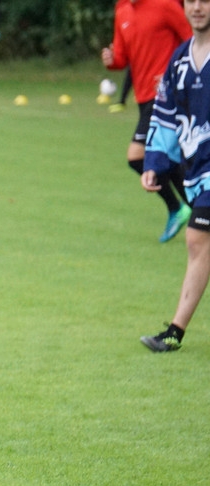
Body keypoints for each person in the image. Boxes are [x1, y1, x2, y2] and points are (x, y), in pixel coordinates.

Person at [140, 0, 210, 351]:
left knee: (198, 239)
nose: (198, 7)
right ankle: (175, 332)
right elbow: (165, 114)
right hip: (199, 170)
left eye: (205, 0)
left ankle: (175, 332)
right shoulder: (181, 60)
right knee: (201, 243)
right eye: (191, 1)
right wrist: (154, 161)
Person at [103, 0, 192, 242]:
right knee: (167, 158)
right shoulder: (122, 9)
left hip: (166, 95)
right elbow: (122, 58)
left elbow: (192, 40)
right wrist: (111, 59)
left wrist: (175, 73)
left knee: (137, 156)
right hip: (143, 97)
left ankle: (180, 208)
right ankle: (194, 209)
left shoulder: (164, 5)